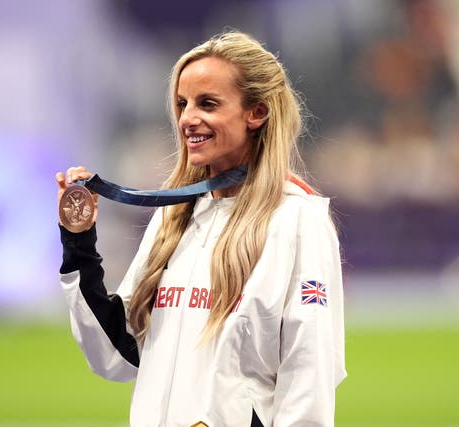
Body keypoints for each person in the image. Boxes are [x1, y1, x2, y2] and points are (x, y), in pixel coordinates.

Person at [55, 31, 346, 427]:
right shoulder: (173, 216)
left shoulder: (297, 221)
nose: (187, 118)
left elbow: (308, 375)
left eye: (207, 103)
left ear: (256, 112)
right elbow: (114, 356)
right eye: (181, 103)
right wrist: (79, 245)